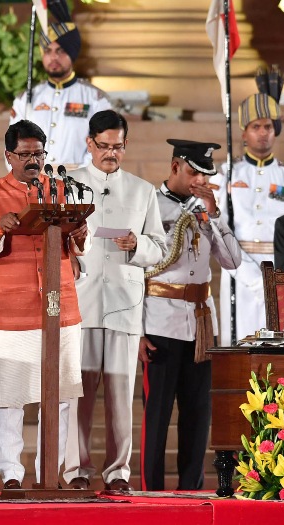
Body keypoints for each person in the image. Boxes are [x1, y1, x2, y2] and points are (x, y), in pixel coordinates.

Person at [0, 119, 90, 489]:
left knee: (64, 393)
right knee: (10, 395)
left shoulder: (61, 190)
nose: (33, 160)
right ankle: (12, 474)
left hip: (60, 305)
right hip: (12, 311)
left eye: (38, 153)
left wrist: (81, 235)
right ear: (9, 156)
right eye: (25, 154)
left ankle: (50, 472)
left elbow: (81, 248)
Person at [63, 109, 166, 491]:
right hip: (82, 300)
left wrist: (138, 244)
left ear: (126, 146)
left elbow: (160, 247)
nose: (111, 154)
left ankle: (118, 473)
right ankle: (75, 471)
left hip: (123, 302)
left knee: (121, 393)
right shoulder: (69, 184)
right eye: (103, 146)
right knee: (79, 393)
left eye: (117, 147)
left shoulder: (142, 190)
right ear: (89, 143)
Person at [139, 139, 241, 491]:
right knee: (157, 414)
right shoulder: (148, 204)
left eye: (206, 174)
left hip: (201, 324)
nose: (201, 180)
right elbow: (133, 270)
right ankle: (150, 492)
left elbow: (232, 261)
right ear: (175, 167)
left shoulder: (205, 210)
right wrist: (136, 331)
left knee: (198, 415)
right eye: (195, 172)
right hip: (159, 321)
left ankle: (191, 491)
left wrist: (214, 215)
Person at [210, 93, 284, 343]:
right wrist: (247, 274)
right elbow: (217, 229)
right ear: (244, 133)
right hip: (237, 270)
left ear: (275, 132)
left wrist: (283, 278)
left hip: (280, 274)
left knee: (278, 344)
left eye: (268, 127)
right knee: (238, 344)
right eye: (256, 127)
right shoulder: (225, 176)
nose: (263, 132)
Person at [9, 0, 111, 169]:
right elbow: (11, 146)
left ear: (72, 54)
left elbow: (105, 145)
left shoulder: (96, 99)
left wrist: (77, 176)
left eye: (60, 51)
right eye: (48, 51)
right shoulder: (26, 99)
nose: (53, 57)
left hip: (80, 185)